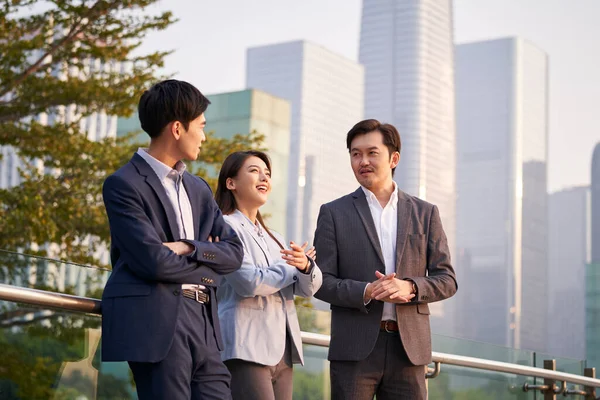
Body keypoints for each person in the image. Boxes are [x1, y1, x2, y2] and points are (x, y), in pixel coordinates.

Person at [101, 79, 244, 400]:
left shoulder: (198, 188)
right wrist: (209, 265)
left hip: (206, 324)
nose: (205, 137)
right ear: (177, 128)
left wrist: (187, 247)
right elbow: (151, 261)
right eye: (201, 126)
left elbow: (234, 252)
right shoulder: (123, 184)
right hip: (158, 322)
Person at [313, 119, 458, 400]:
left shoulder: (425, 213)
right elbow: (321, 282)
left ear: (394, 158)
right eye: (355, 154)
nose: (362, 161)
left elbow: (447, 280)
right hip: (353, 350)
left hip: (409, 351)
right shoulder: (333, 212)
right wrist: (365, 291)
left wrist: (411, 288)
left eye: (371, 153)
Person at [214, 150, 323, 400]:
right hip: (246, 346)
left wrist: (306, 267)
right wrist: (291, 268)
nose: (264, 177)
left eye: (267, 173)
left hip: (283, 349)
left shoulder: (275, 237)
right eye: (254, 171)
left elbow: (308, 288)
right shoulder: (225, 226)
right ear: (231, 183)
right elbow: (249, 282)